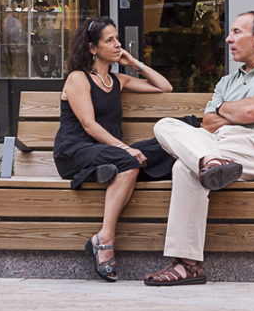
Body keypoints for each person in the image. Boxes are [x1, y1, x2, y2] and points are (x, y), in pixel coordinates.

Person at [143, 10, 254, 286]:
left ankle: (187, 264)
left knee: (184, 165)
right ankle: (210, 164)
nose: (228, 39)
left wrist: (230, 111)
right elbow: (207, 123)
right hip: (219, 147)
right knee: (165, 126)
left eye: (236, 32)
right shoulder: (227, 81)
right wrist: (236, 112)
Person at [54, 17, 174, 281]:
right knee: (130, 160)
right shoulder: (78, 79)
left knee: (167, 145)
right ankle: (105, 237)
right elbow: (88, 125)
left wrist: (133, 63)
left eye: (117, 38)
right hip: (76, 151)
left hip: (109, 153)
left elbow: (164, 86)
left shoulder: (117, 80)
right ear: (92, 49)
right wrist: (125, 149)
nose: (118, 44)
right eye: (110, 40)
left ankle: (115, 168)